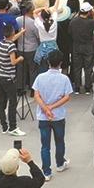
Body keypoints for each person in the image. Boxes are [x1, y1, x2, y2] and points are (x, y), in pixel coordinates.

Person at [31, 50, 73, 179]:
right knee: (59, 141)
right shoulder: (64, 78)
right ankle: (60, 164)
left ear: (48, 62)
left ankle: (46, 172)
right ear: (60, 63)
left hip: (43, 116)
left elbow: (36, 95)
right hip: (58, 116)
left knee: (45, 145)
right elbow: (67, 97)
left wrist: (45, 108)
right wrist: (52, 107)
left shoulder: (40, 77)